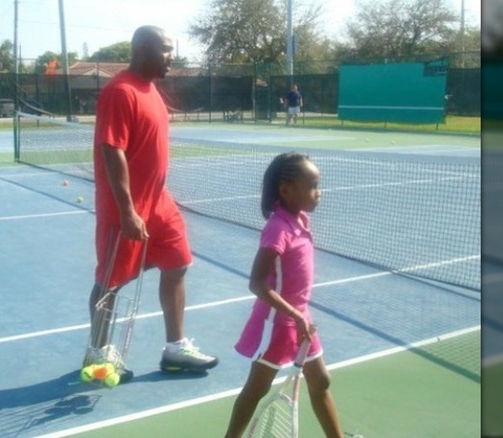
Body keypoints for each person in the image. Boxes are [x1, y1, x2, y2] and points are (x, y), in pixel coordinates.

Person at [85, 25, 219, 382]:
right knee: (110, 283)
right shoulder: (120, 91)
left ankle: (175, 348)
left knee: (178, 264)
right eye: (165, 49)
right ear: (142, 50)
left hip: (160, 203)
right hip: (125, 208)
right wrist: (128, 210)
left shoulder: (152, 91)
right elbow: (112, 149)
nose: (171, 57)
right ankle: (97, 351)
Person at [225, 152, 344, 437]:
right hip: (277, 324)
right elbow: (257, 284)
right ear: (286, 190)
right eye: (312, 186)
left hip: (300, 318)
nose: (319, 193)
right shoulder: (278, 229)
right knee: (257, 389)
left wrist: (299, 315)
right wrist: (293, 314)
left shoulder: (300, 220)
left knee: (321, 381)